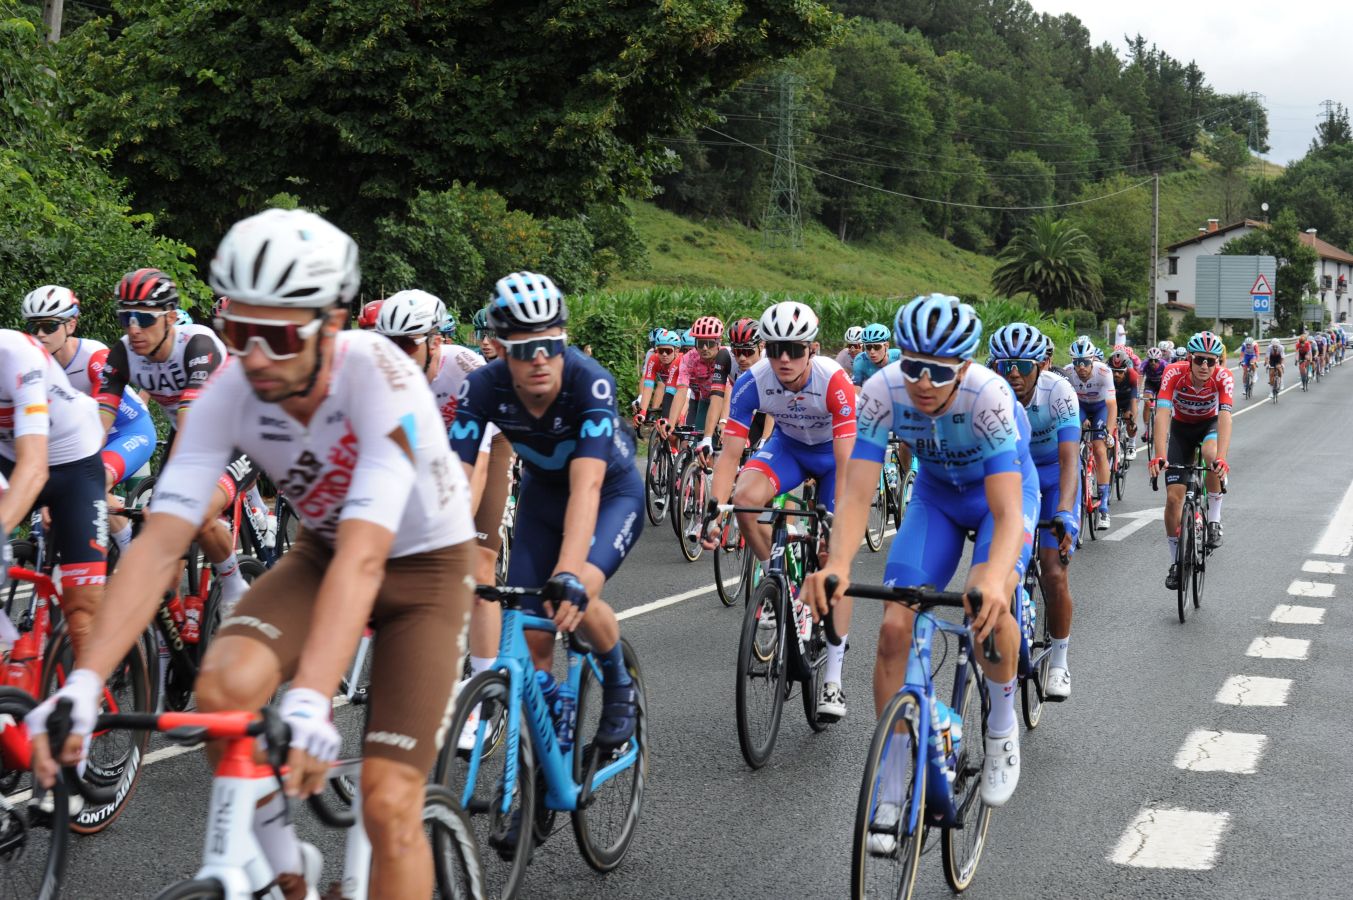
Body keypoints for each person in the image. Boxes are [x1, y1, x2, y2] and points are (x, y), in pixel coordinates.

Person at [29, 208, 478, 899]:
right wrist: (85, 682)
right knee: (221, 690)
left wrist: (306, 699)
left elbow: (366, 559)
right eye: (239, 331)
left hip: (420, 572)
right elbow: (158, 546)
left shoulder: (384, 381)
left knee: (389, 805)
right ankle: (287, 873)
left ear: (332, 324)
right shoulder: (233, 390)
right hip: (324, 553)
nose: (254, 357)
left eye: (275, 335)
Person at [804, 294, 1035, 812]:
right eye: (913, 367)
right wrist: (837, 565)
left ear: (965, 366)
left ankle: (1001, 727)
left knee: (988, 606)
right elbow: (857, 492)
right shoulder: (881, 391)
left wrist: (996, 580)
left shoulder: (989, 396)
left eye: (938, 370)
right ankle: (892, 770)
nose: (923, 383)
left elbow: (1005, 513)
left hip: (999, 500)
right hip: (934, 497)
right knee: (892, 627)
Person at [450, 271, 641, 773]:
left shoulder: (589, 380)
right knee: (532, 639)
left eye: (549, 344)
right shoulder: (482, 387)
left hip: (609, 494)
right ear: (496, 346)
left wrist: (571, 571)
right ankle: (536, 778)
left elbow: (588, 488)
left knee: (575, 594)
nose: (539, 358)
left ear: (564, 341)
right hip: (541, 497)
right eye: (523, 347)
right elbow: (451, 483)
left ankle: (620, 685)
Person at [373, 290, 515, 748]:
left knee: (477, 562)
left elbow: (476, 464)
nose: (398, 354)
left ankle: (484, 692)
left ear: (435, 342)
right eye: (388, 343)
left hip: (487, 448)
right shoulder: (387, 377)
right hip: (432, 448)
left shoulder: (469, 370)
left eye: (408, 343)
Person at [701, 301, 856, 719]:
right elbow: (730, 454)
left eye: (794, 349)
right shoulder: (754, 381)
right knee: (745, 500)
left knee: (832, 557)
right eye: (774, 349)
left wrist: (837, 524)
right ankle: (780, 583)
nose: (783, 359)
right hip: (787, 449)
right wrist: (715, 509)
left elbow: (846, 464)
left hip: (832, 460)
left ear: (813, 348)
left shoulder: (835, 382)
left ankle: (834, 680)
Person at [95, 268, 257, 613]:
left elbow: (191, 425)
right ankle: (170, 652)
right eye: (125, 318)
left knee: (194, 514)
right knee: (163, 564)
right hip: (187, 438)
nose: (133, 329)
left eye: (144, 318)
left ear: (170, 317)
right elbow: (99, 425)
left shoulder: (198, 345)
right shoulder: (122, 353)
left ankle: (233, 585)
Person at [20, 285, 157, 553]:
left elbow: (98, 425)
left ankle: (131, 550)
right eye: (33, 327)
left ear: (71, 324)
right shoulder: (33, 364)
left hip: (128, 432)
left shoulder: (94, 357)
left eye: (49, 326)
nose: (39, 335)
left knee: (90, 484)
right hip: (83, 437)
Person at [0, 327, 107, 658]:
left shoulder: (17, 355)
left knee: (81, 612)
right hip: (9, 458)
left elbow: (34, 467)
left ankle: (94, 699)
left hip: (73, 465)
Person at [1149, 331, 1233, 587]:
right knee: (1174, 497)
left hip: (1208, 426)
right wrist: (1159, 455)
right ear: (1190, 359)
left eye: (1211, 360)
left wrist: (1221, 458)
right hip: (1181, 429)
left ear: (1217, 361)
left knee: (1210, 457)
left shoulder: (1223, 377)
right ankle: (1176, 562)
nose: (1205, 366)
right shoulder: (1173, 373)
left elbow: (1225, 417)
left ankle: (1215, 521)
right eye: (1199, 360)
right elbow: (1162, 414)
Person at [1063, 336, 1117, 530]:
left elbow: (1112, 405)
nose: (1081, 367)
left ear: (1093, 359)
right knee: (1069, 447)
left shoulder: (1103, 372)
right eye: (1077, 362)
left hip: (1101, 407)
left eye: (1085, 362)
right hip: (1081, 407)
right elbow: (1065, 403)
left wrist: (1108, 432)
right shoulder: (1068, 373)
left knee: (1100, 449)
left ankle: (1103, 507)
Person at [662, 316, 733, 461]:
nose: (704, 348)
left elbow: (727, 392)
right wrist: (671, 422)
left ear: (719, 342)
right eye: (700, 343)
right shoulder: (689, 358)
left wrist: (724, 421)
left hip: (730, 403)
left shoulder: (727, 356)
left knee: (726, 449)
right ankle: (698, 479)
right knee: (698, 449)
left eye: (709, 343)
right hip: (706, 401)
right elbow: (681, 391)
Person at [1109, 346, 1139, 457]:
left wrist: (1133, 421)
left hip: (1127, 400)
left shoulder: (1132, 375)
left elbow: (1134, 401)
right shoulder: (1106, 375)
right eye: (1114, 371)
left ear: (1126, 370)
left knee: (1129, 419)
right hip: (1113, 400)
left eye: (1120, 372)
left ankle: (1131, 445)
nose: (1116, 374)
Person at [851, 322, 901, 388]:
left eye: (877, 347)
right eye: (868, 347)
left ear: (886, 346)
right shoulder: (860, 360)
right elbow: (856, 388)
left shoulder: (899, 357)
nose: (872, 352)